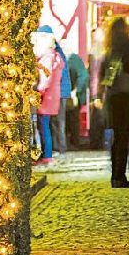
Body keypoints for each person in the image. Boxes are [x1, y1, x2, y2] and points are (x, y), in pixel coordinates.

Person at [97, 16, 129, 188]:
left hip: (113, 96)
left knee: (117, 139)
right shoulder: (126, 47)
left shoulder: (110, 49)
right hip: (126, 96)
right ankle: (120, 176)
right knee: (123, 138)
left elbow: (102, 75)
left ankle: (115, 176)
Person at [33, 30, 65, 167]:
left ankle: (46, 155)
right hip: (53, 96)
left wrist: (38, 91)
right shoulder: (56, 56)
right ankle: (47, 154)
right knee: (46, 125)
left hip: (46, 96)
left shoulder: (47, 57)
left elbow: (45, 77)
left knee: (43, 125)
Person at [65, 46, 89, 149]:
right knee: (73, 119)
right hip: (74, 95)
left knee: (71, 119)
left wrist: (75, 91)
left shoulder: (72, 60)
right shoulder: (75, 60)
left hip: (73, 96)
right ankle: (73, 142)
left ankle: (73, 143)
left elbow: (83, 77)